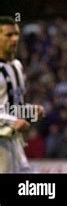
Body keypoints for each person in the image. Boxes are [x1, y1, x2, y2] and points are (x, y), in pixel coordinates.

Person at [0, 16, 44, 173]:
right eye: (9, 35)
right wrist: (13, 122)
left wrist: (30, 111)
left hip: (15, 141)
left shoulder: (17, 66)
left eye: (16, 34)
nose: (14, 39)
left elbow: (11, 107)